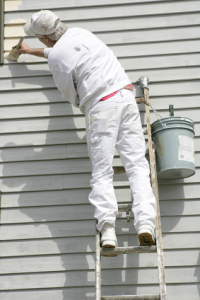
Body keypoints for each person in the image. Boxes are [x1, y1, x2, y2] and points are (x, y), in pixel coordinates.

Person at [16, 10, 156, 253]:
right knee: (137, 166)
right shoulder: (81, 33)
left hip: (101, 106)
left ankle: (108, 230)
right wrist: (29, 51)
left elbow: (71, 94)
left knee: (102, 172)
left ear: (45, 38)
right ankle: (145, 224)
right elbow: (57, 52)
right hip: (126, 97)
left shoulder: (57, 57)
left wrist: (86, 104)